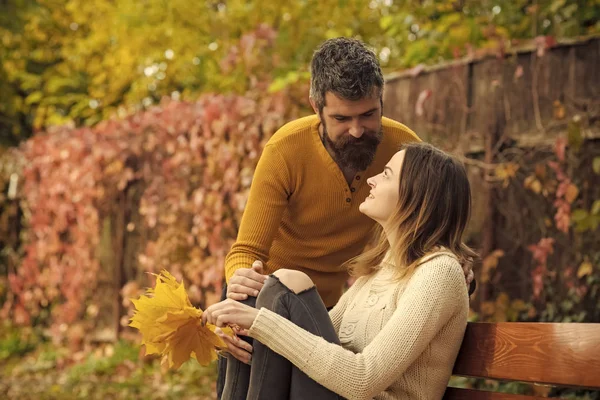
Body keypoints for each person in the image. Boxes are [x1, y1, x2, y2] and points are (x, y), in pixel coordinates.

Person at [216, 37, 474, 396]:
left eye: (368, 115)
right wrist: (236, 305)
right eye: (341, 118)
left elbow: (432, 209)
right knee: (262, 297)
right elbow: (246, 251)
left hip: (322, 305)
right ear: (316, 108)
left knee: (280, 303)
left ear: (381, 100)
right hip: (274, 293)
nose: (356, 130)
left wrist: (457, 261)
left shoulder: (403, 150)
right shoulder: (286, 150)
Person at [204, 142, 476, 399]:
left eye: (387, 174)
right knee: (251, 292)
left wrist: (259, 322)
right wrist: (241, 330)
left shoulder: (438, 273)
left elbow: (363, 379)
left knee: (288, 283)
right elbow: (310, 344)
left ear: (416, 195)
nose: (372, 179)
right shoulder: (379, 272)